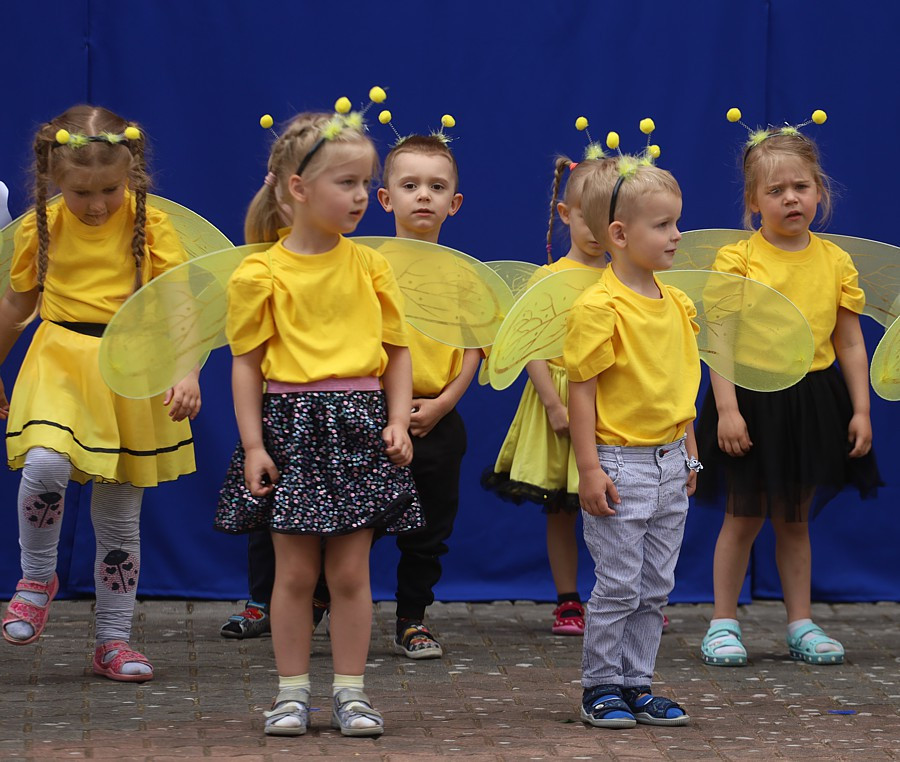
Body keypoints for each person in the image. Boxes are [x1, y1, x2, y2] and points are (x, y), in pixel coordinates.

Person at [214, 108, 424, 738]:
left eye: (366, 182)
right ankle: (291, 693)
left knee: (351, 572)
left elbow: (398, 351)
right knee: (297, 573)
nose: (362, 196)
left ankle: (353, 694)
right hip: (292, 426)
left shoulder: (371, 265)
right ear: (298, 188)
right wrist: (254, 444)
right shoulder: (260, 272)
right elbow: (246, 366)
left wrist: (397, 421)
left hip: (358, 424)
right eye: (347, 182)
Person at [0, 105, 200, 682]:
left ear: (133, 176)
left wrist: (185, 373)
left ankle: (114, 640)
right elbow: (17, 305)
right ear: (53, 181)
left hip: (129, 373)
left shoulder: (152, 228)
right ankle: (37, 577)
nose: (95, 205)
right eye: (80, 191)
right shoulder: (43, 226)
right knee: (44, 467)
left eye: (110, 190)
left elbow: (180, 309)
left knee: (119, 519)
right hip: (59, 360)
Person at [696, 118, 881, 667]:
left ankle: (800, 622)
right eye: (775, 190)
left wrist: (862, 410)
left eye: (800, 186)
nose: (790, 198)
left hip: (813, 402)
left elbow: (849, 342)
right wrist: (726, 409)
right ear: (754, 202)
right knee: (743, 515)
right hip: (752, 399)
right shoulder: (739, 259)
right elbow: (719, 339)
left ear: (819, 191)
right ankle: (723, 623)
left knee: (795, 518)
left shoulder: (835, 262)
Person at [565, 153, 696, 728]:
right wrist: (590, 469)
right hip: (620, 465)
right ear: (619, 234)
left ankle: (638, 682)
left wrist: (689, 453)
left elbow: (683, 385)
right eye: (662, 225)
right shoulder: (599, 306)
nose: (675, 235)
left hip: (670, 464)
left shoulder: (679, 304)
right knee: (618, 584)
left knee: (655, 587)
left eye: (676, 222)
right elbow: (583, 391)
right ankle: (601, 685)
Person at [482, 157, 609, 636]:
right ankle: (569, 601)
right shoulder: (547, 279)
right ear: (564, 214)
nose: (595, 231)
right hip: (556, 400)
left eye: (606, 221)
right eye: (585, 219)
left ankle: (622, 597)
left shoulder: (625, 279)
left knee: (614, 508)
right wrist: (555, 405)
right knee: (561, 504)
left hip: (607, 404)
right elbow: (526, 344)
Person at [376, 133, 479, 658]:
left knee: (429, 530)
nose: (423, 196)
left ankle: (412, 619)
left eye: (436, 187)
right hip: (372, 414)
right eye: (410, 185)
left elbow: (472, 350)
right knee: (356, 519)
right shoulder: (365, 264)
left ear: (453, 203)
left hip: (436, 417)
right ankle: (322, 599)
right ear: (385, 198)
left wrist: (443, 404)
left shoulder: (464, 275)